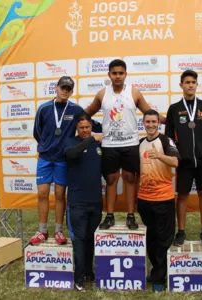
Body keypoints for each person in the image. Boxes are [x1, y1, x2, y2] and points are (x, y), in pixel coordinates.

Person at [85, 59, 165, 230]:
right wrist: (72, 117)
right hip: (109, 144)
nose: (118, 76)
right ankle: (110, 216)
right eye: (114, 73)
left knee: (130, 179)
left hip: (131, 143)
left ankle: (131, 216)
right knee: (111, 179)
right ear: (109, 75)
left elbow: (149, 112)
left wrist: (169, 120)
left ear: (126, 74)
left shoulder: (134, 93)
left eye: (121, 73)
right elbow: (87, 113)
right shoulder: (102, 94)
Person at [31, 76, 101, 245]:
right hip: (46, 157)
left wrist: (100, 134)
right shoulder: (44, 108)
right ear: (56, 87)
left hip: (63, 159)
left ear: (72, 91)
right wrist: (47, 145)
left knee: (60, 194)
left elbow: (90, 124)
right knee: (42, 194)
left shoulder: (76, 109)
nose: (65, 91)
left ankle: (58, 231)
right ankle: (42, 231)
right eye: (62, 87)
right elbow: (37, 132)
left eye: (68, 89)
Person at [165, 70, 202, 247]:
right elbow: (169, 136)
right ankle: (181, 232)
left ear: (197, 84)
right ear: (181, 85)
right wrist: (177, 154)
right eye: (187, 82)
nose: (190, 85)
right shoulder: (174, 109)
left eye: (193, 82)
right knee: (182, 196)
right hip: (184, 162)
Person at [137, 110, 180, 292]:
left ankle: (159, 279)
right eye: (148, 122)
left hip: (163, 198)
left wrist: (159, 156)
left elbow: (176, 162)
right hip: (144, 199)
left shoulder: (165, 140)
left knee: (163, 239)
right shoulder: (139, 143)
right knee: (152, 239)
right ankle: (156, 271)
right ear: (143, 123)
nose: (151, 125)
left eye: (154, 121)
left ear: (158, 123)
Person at [64, 113, 103, 291]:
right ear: (76, 129)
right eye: (82, 128)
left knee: (90, 239)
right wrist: (92, 139)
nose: (86, 130)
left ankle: (89, 272)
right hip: (77, 203)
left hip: (96, 202)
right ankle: (78, 278)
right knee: (79, 240)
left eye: (88, 127)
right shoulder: (71, 143)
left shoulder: (98, 145)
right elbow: (71, 154)